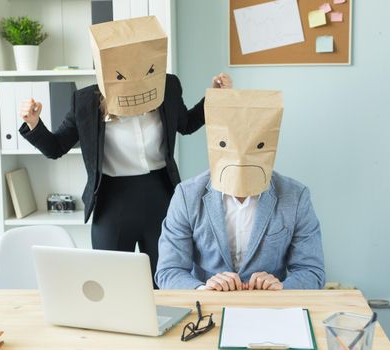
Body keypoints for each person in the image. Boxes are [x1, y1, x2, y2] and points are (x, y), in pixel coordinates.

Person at [18, 17, 232, 281]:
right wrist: (34, 123)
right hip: (111, 199)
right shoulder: (85, 102)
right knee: (112, 280)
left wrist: (214, 97)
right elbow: (56, 147)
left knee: (166, 277)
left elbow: (185, 125)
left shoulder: (168, 87)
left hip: (160, 194)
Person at [155, 88, 325, 291]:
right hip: (209, 309)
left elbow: (312, 271)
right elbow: (168, 271)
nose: (241, 158)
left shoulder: (295, 196)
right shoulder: (187, 195)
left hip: (270, 307)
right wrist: (203, 289)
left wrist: (282, 288)